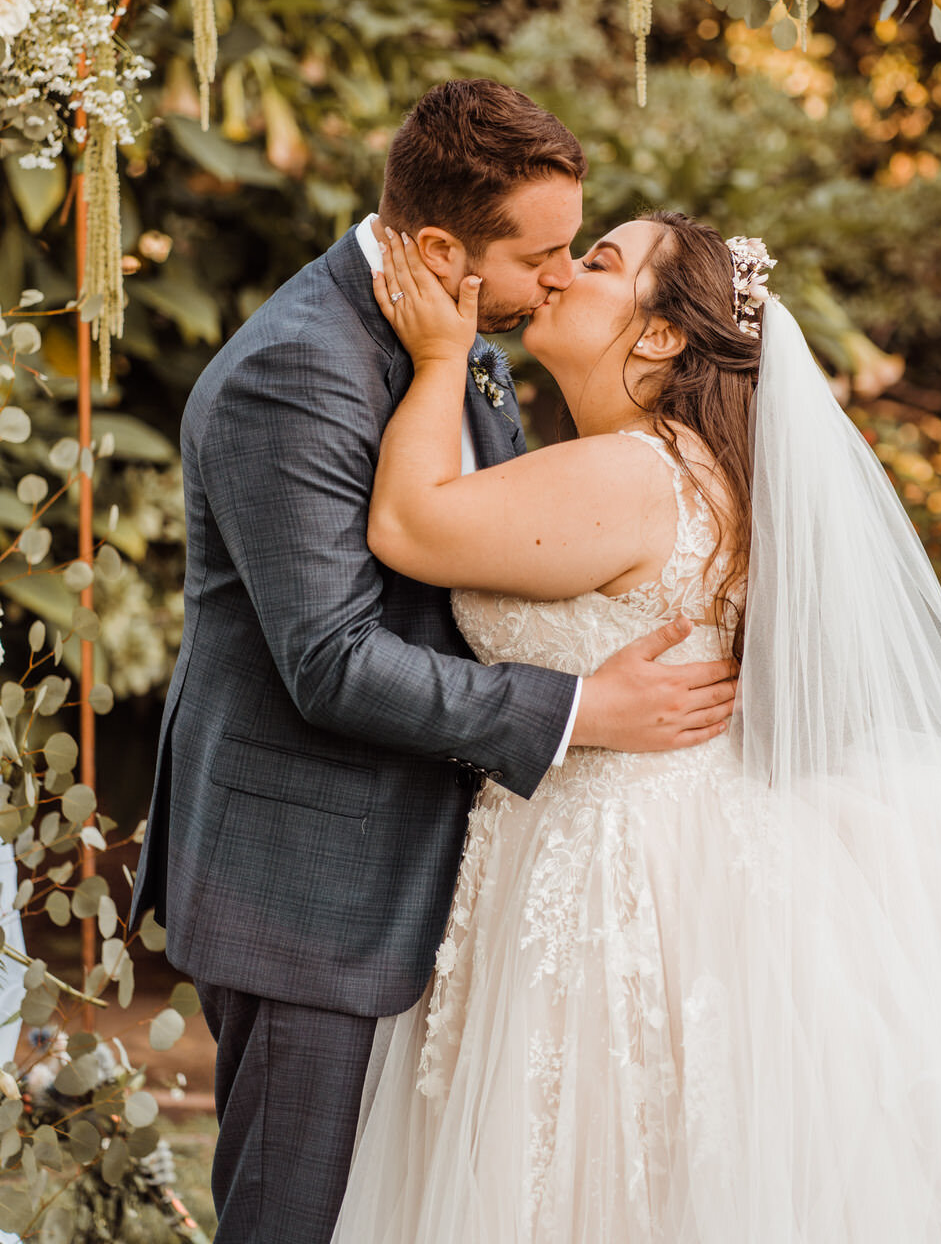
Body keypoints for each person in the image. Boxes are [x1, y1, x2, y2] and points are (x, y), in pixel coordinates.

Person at [330, 213, 941, 1242]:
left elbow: (406, 524)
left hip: (607, 861)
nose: (561, 273)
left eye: (599, 261)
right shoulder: (683, 465)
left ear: (661, 336)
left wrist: (442, 354)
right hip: (669, 836)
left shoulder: (630, 472)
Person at [129, 83, 738, 1244]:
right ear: (442, 248)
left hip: (448, 878)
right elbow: (333, 661)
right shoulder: (301, 370)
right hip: (309, 882)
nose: (559, 277)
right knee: (292, 1222)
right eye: (543, 254)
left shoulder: (453, 340)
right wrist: (581, 707)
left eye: (577, 251)